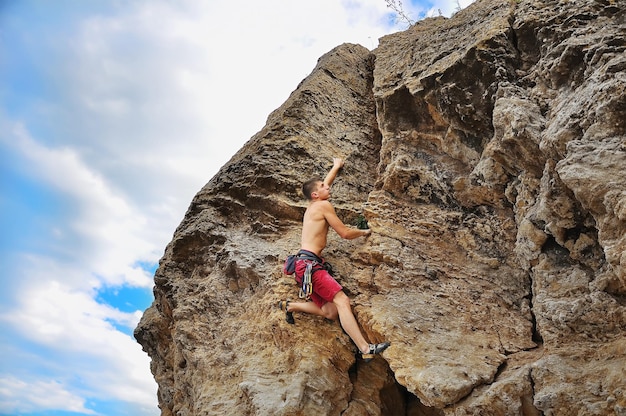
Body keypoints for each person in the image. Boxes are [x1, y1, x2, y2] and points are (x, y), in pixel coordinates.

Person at [279, 157, 390, 360]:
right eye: (322, 186)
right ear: (316, 194)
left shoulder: (312, 206)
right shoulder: (323, 206)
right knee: (342, 300)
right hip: (310, 266)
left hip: (303, 266)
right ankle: (365, 349)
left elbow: (325, 184)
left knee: (330, 311)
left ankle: (291, 306)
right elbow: (345, 233)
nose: (327, 186)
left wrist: (336, 167)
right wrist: (365, 232)